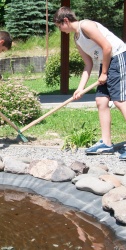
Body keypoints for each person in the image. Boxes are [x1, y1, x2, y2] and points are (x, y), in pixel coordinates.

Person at [53, 7, 126, 159]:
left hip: (118, 57)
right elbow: (88, 64)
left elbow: (108, 47)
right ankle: (106, 143)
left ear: (65, 20)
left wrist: (105, 73)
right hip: (105, 62)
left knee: (120, 101)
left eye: (59, 26)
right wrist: (80, 88)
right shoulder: (77, 38)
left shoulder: (86, 26)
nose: (60, 30)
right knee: (101, 101)